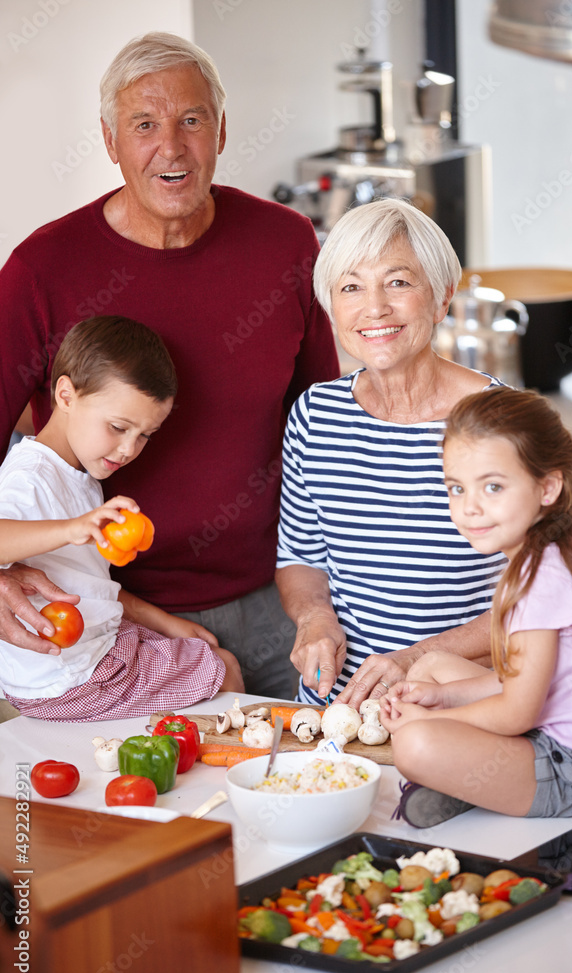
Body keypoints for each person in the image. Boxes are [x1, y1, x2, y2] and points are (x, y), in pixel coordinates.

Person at [0, 32, 339, 699]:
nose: (172, 147)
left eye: (191, 120)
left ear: (220, 130)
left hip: (283, 605)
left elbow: (322, 423)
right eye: (144, 125)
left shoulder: (286, 242)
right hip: (115, 629)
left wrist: (328, 596)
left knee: (321, 785)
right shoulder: (42, 269)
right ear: (109, 141)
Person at [381, 387, 572, 826]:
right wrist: (442, 695)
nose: (469, 508)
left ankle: (474, 781)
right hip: (566, 734)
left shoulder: (542, 578)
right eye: (456, 488)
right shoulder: (560, 550)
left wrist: (441, 718)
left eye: (493, 486)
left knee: (415, 743)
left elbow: (518, 712)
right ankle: (478, 783)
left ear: (547, 486)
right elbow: (522, 681)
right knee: (433, 666)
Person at [275, 198, 507, 709]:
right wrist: (315, 619)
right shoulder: (316, 416)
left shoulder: (502, 421)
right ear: (332, 308)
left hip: (458, 709)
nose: (374, 307)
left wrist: (414, 658)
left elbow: (543, 601)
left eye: (398, 282)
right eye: (351, 287)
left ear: (442, 297)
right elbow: (300, 558)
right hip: (339, 710)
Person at [0, 316, 243, 722]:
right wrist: (74, 528)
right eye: (118, 427)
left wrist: (164, 622)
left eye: (145, 435)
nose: (129, 449)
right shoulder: (29, 479)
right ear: (65, 394)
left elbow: (87, 584)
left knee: (213, 660)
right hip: (71, 678)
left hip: (94, 651)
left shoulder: (79, 470)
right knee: (226, 671)